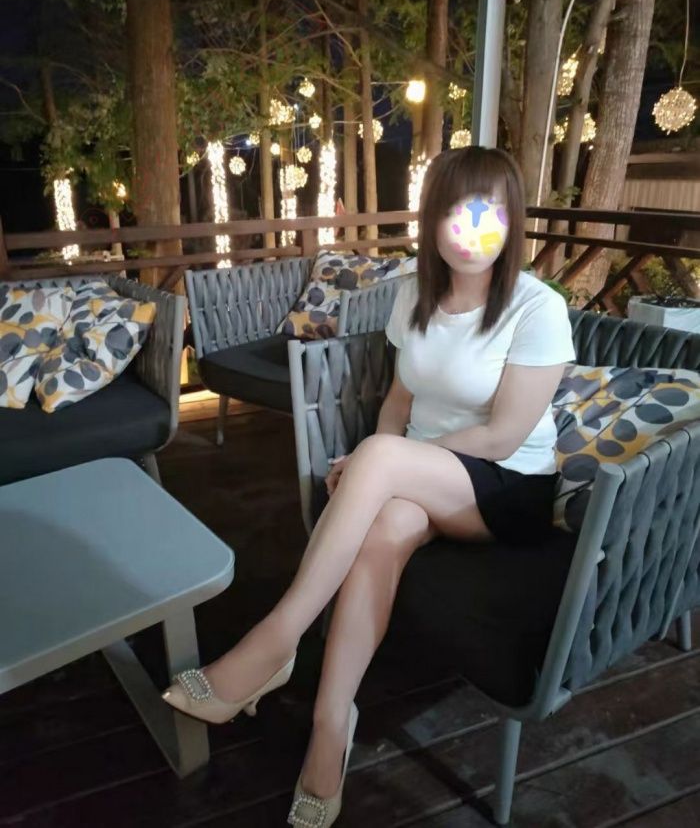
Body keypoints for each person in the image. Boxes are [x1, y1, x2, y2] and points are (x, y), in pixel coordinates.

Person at [162, 146, 576, 827]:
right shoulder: (414, 293)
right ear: (432, 217)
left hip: (507, 487)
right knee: (382, 526)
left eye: (488, 212)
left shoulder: (538, 308)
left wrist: (380, 460)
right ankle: (331, 726)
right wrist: (381, 459)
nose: (470, 229)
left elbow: (503, 437)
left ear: (511, 221)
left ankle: (274, 643)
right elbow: (397, 401)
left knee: (379, 459)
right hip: (426, 473)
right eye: (454, 210)